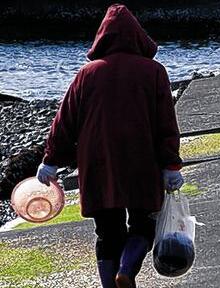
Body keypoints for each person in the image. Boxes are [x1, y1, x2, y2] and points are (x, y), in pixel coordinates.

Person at [36, 4, 184, 288]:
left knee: (107, 233)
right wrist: (171, 165)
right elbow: (166, 124)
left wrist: (51, 160)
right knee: (143, 224)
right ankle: (126, 270)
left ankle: (109, 285)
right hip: (142, 160)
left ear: (101, 36)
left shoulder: (87, 74)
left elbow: (64, 121)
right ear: (138, 36)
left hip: (97, 162)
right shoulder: (153, 72)